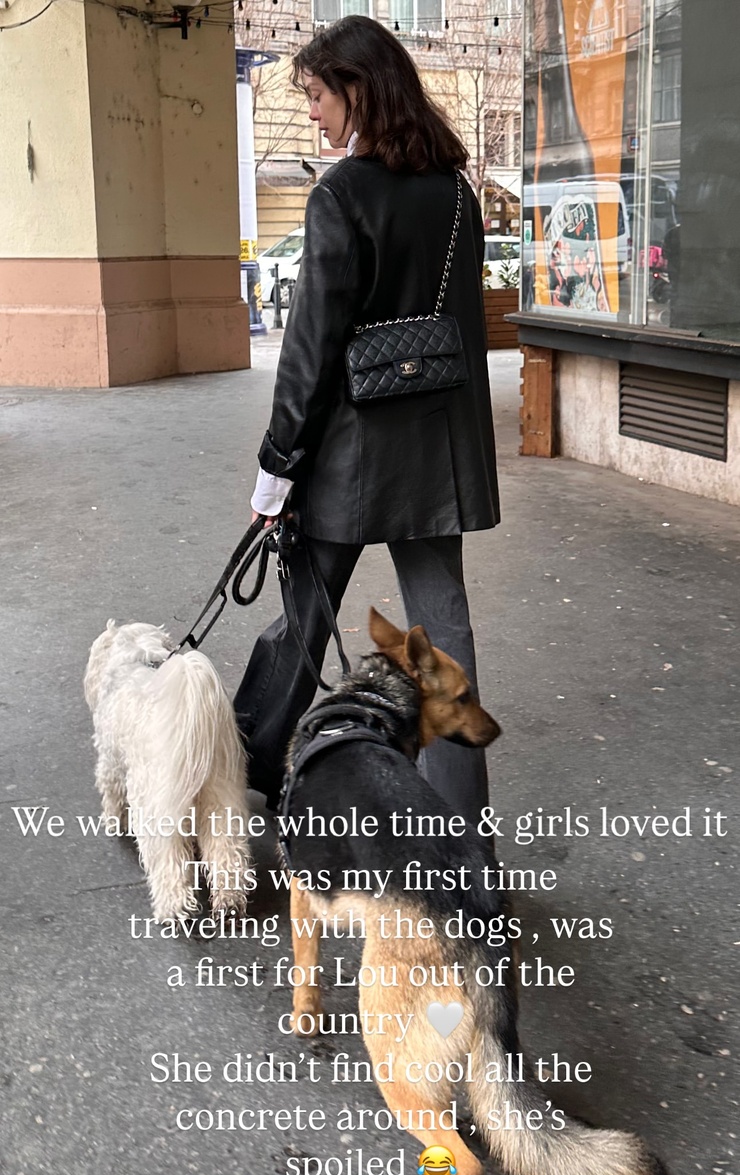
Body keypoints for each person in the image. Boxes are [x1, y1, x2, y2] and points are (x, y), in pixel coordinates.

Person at [234, 15, 500, 820]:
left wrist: (278, 463)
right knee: (443, 631)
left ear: (359, 88)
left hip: (349, 455)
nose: (313, 111)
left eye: (318, 94)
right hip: (435, 454)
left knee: (305, 618)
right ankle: (462, 830)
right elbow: (459, 324)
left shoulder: (341, 194)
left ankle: (255, 770)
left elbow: (310, 348)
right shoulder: (456, 193)